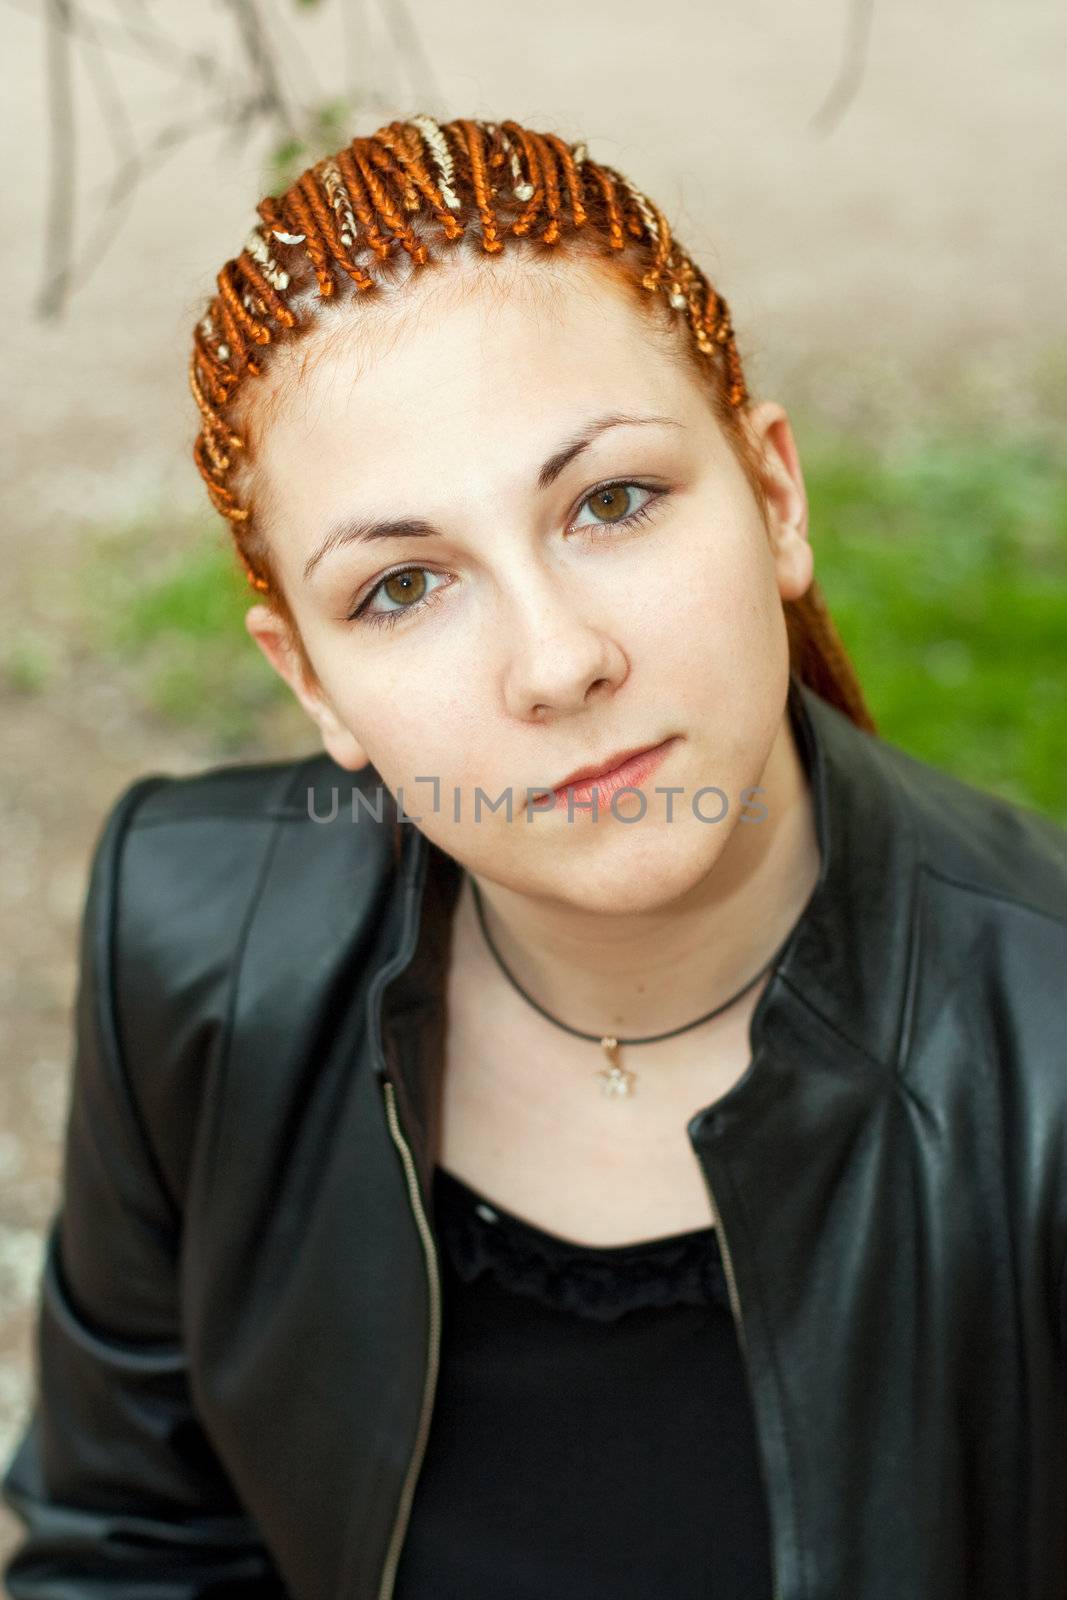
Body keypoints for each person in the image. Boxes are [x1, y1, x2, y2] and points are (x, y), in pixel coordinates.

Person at [2, 113, 1066, 1600]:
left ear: (774, 498)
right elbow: (129, 1549)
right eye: (403, 587)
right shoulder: (198, 948)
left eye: (612, 502)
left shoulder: (1050, 1045)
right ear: (311, 685)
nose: (557, 662)